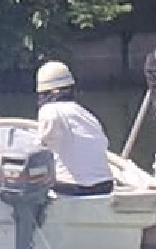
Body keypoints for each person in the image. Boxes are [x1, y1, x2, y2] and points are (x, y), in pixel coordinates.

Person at [33, 61, 115, 196]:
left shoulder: (49, 110)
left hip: (76, 187)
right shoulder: (86, 114)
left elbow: (40, 148)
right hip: (105, 185)